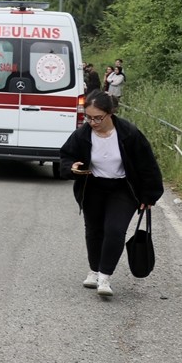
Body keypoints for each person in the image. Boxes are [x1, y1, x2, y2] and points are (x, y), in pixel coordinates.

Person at [59, 90, 163, 297]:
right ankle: (94, 270)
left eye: (98, 118)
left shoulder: (129, 133)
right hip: (93, 187)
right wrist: (71, 167)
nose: (92, 122)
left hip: (123, 188)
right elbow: (66, 155)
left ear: (111, 113)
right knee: (94, 230)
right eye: (88, 117)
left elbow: (147, 165)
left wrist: (149, 195)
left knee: (115, 230)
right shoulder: (82, 134)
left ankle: (105, 276)